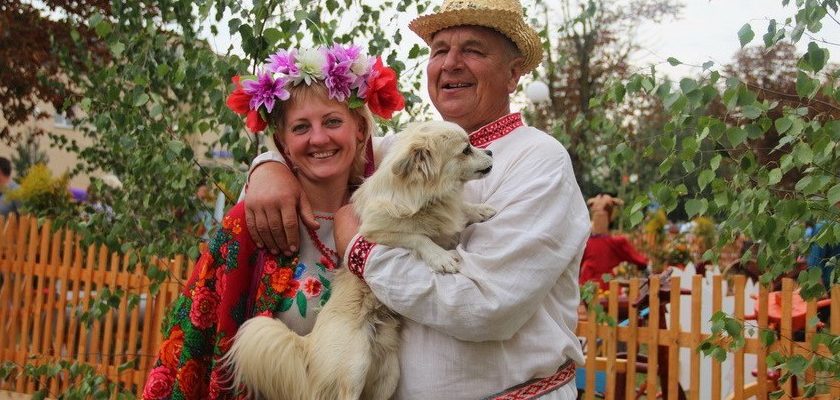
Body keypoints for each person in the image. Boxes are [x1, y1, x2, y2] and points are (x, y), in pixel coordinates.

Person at [243, 1, 589, 398]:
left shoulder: (539, 160)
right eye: (440, 50)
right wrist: (269, 167)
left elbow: (486, 308)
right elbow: (324, 148)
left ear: (512, 74)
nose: (451, 63)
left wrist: (362, 250)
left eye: (472, 50)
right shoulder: (405, 151)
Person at [140, 43, 404, 400]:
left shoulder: (391, 218)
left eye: (332, 121)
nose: (319, 138)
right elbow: (195, 347)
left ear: (359, 129)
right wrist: (265, 165)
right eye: (301, 127)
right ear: (282, 141)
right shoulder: (249, 223)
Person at [580, 193, 648, 290]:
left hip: (586, 284)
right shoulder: (616, 242)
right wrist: (644, 264)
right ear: (610, 216)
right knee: (609, 290)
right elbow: (638, 259)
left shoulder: (585, 242)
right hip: (606, 282)